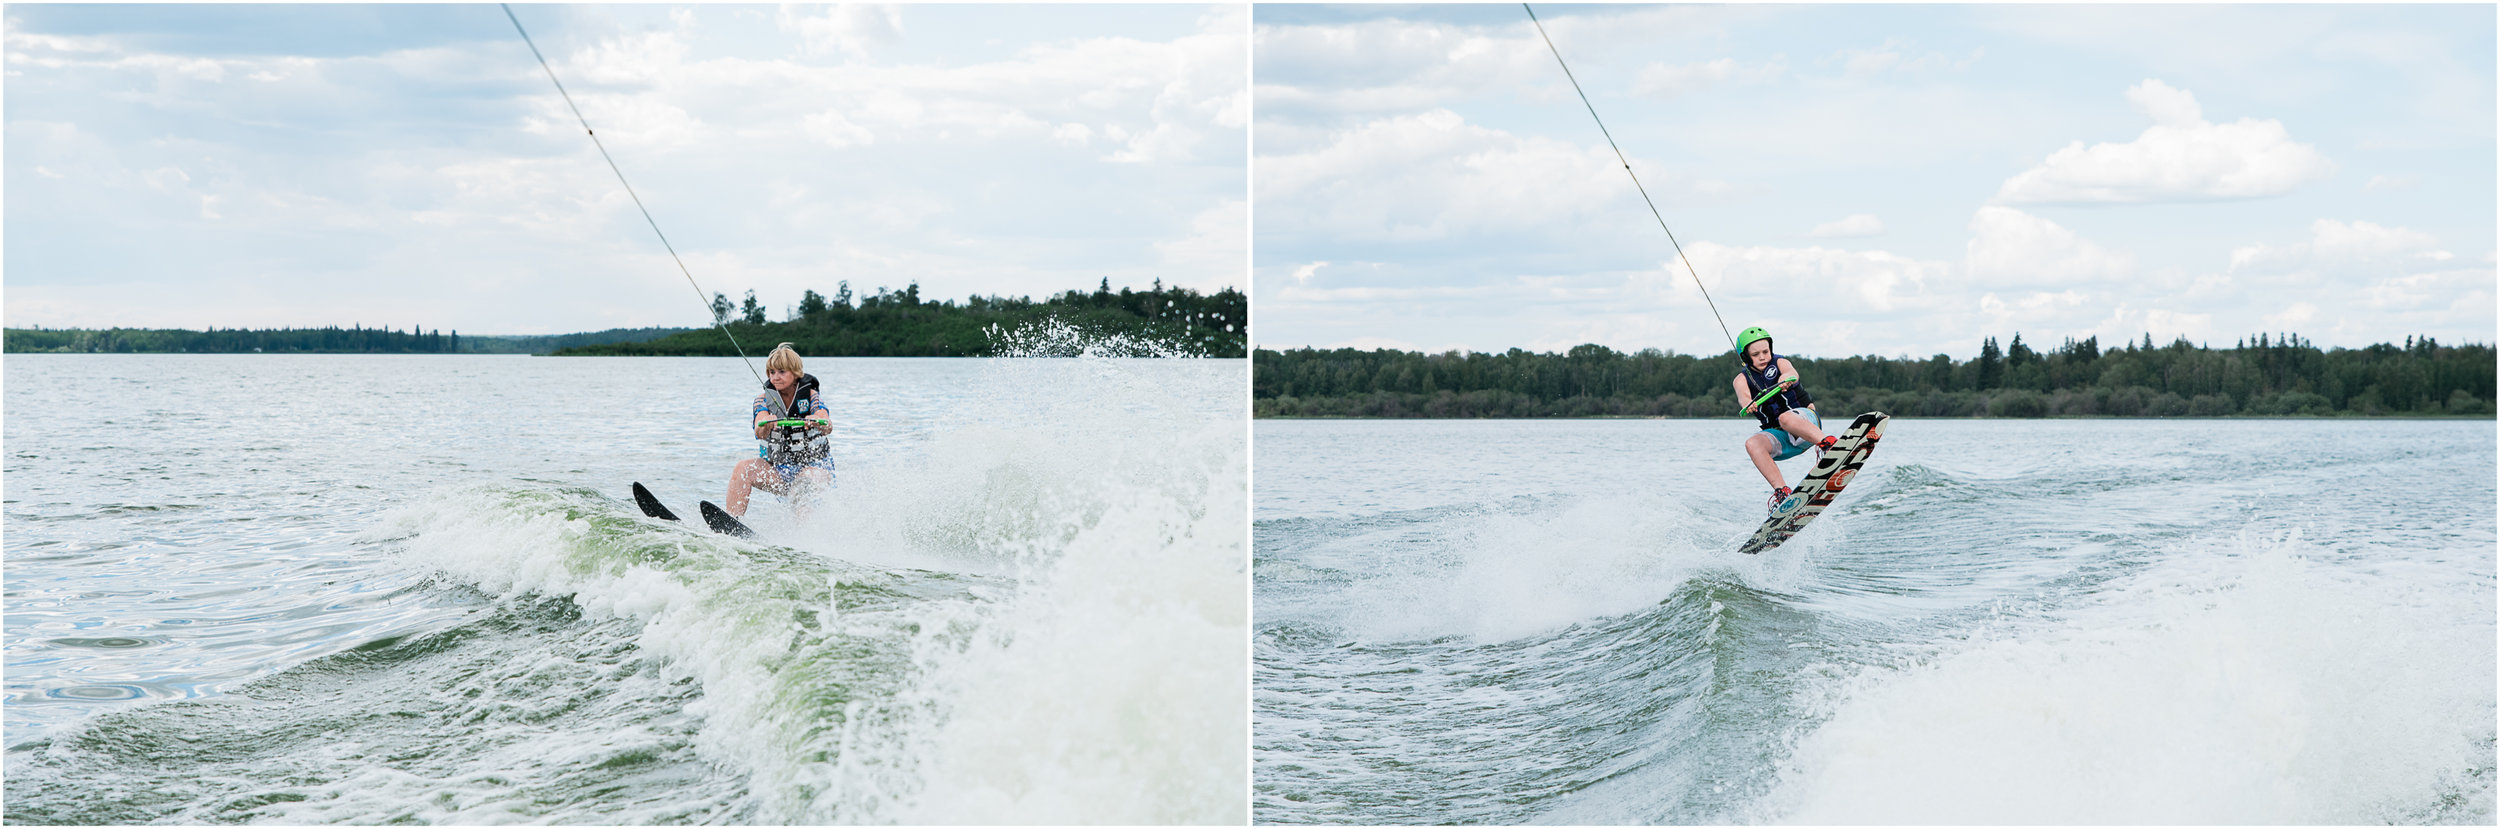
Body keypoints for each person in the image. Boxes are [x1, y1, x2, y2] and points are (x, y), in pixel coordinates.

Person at [1733, 326, 1837, 511]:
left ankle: (1829, 446)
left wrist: (1786, 379)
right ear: (1746, 357)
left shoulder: (1780, 362)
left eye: (1765, 351)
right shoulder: (1741, 379)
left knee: (1785, 418)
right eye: (1756, 354)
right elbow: (1743, 397)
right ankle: (1782, 493)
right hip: (1784, 438)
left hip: (1807, 425)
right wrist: (1748, 404)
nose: (1763, 357)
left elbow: (1791, 372)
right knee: (1752, 443)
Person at [727, 343, 834, 518]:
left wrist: (818, 420)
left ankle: (804, 537)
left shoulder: (811, 397)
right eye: (772, 372)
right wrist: (764, 423)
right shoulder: (762, 400)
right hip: (779, 471)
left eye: (782, 372)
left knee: (803, 484)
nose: (775, 377)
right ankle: (731, 522)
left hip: (814, 470)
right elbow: (758, 427)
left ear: (795, 373)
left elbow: (826, 422)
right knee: (742, 469)